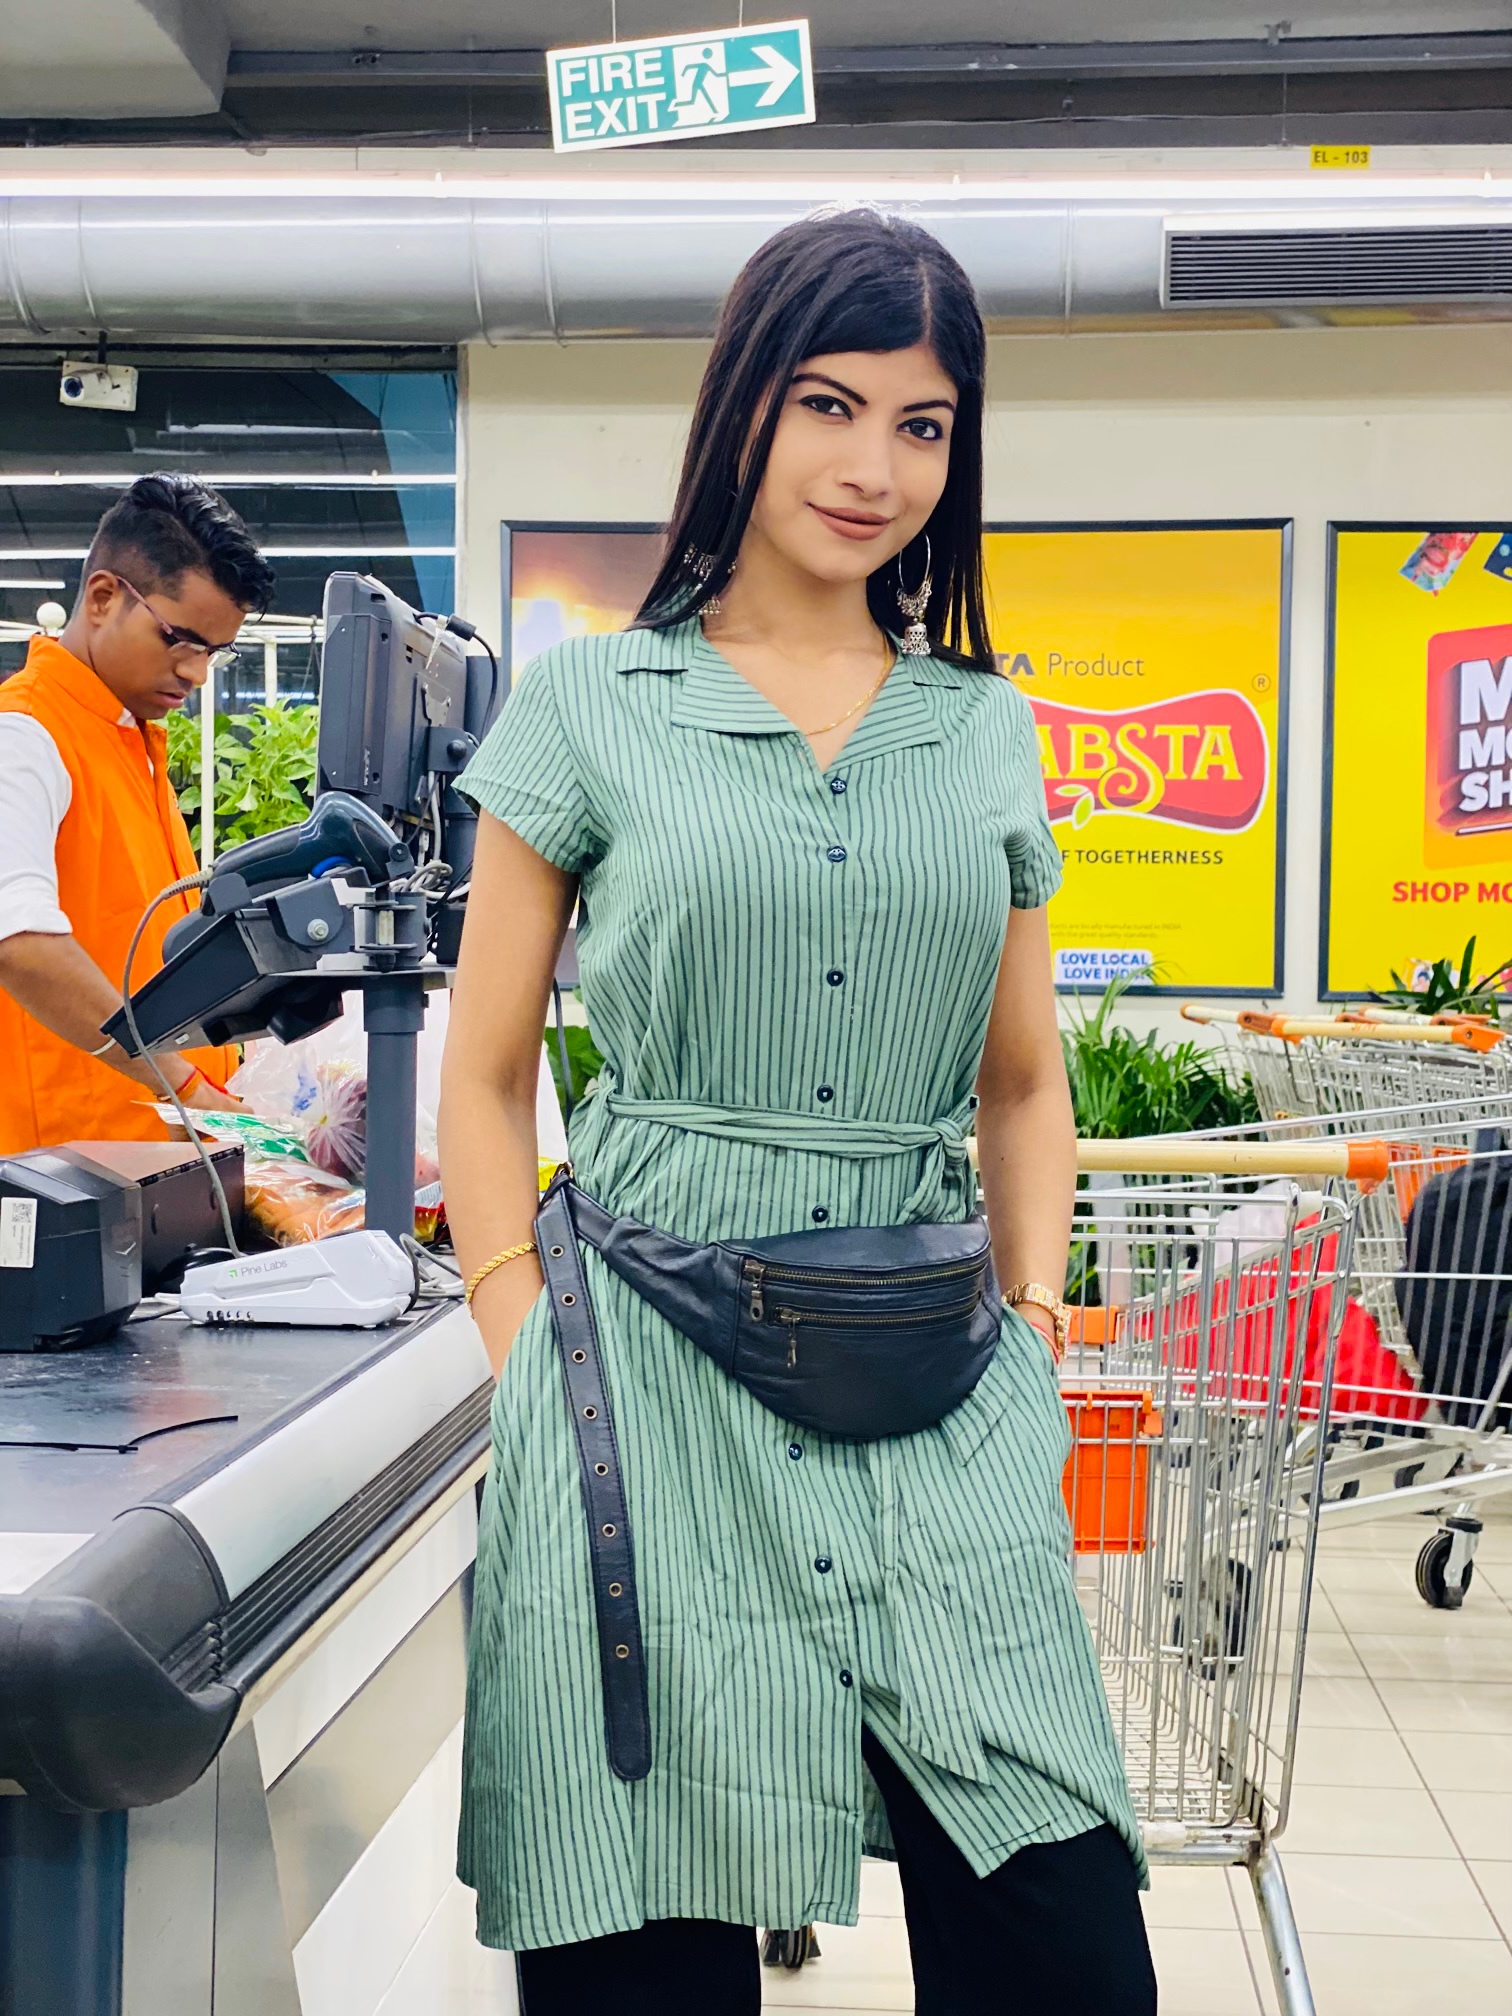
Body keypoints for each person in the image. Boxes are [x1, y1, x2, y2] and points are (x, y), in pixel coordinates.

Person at [440, 210, 1156, 2015]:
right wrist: (525, 1345)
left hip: (939, 1377)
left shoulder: (979, 729)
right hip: (644, 1375)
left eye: (922, 425)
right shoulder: (592, 705)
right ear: (745, 404)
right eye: (829, 404)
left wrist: (1036, 1320)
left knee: (1066, 1939)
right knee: (640, 1938)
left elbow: (1020, 1078)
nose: (872, 468)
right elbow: (489, 1068)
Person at [0, 474, 275, 1155]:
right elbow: (20, 943)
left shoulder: (130, 743)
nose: (197, 673)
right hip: (63, 1170)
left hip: (151, 1164)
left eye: (214, 652)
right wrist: (183, 1085)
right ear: (103, 598)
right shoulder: (23, 736)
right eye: (180, 639)